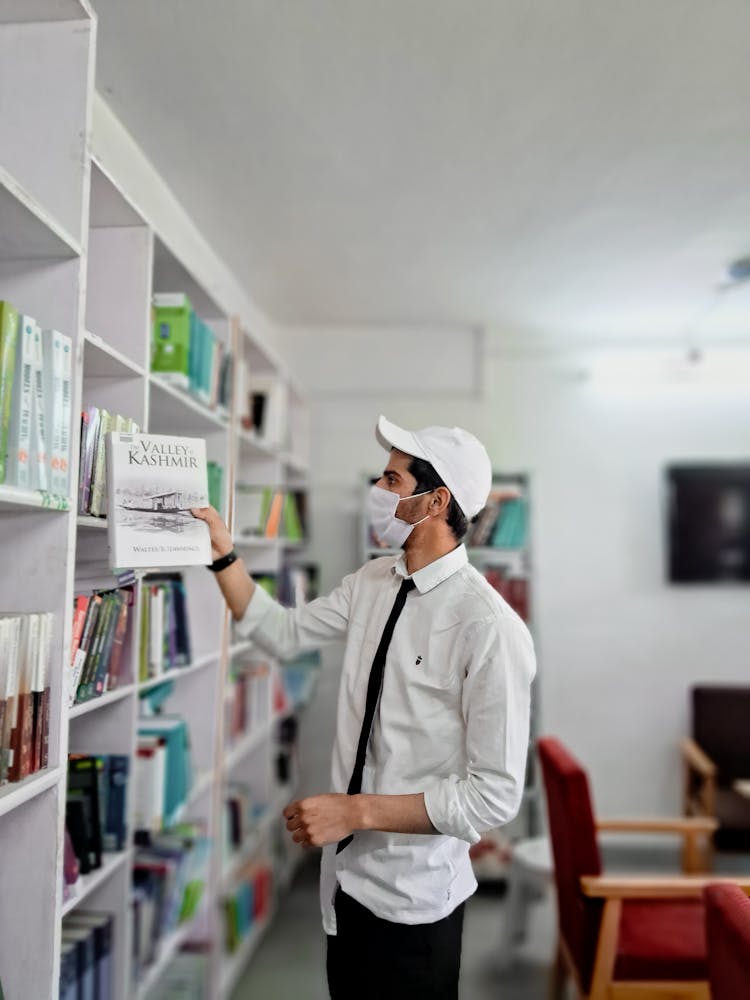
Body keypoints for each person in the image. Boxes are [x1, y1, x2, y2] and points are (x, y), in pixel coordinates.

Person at [193, 414, 536, 1000]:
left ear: (436, 502)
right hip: (344, 886)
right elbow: (279, 631)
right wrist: (224, 555)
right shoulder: (372, 582)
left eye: (391, 481)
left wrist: (355, 813)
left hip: (415, 903)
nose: (376, 493)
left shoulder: (488, 626)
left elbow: (494, 795)